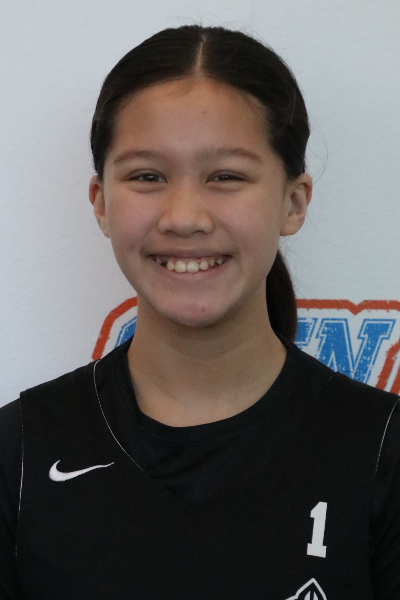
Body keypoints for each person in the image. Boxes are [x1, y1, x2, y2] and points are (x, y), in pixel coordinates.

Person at [0, 24, 399, 600]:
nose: (184, 217)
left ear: (293, 202)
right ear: (101, 203)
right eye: (147, 176)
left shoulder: (381, 450)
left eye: (226, 176)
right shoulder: (20, 454)